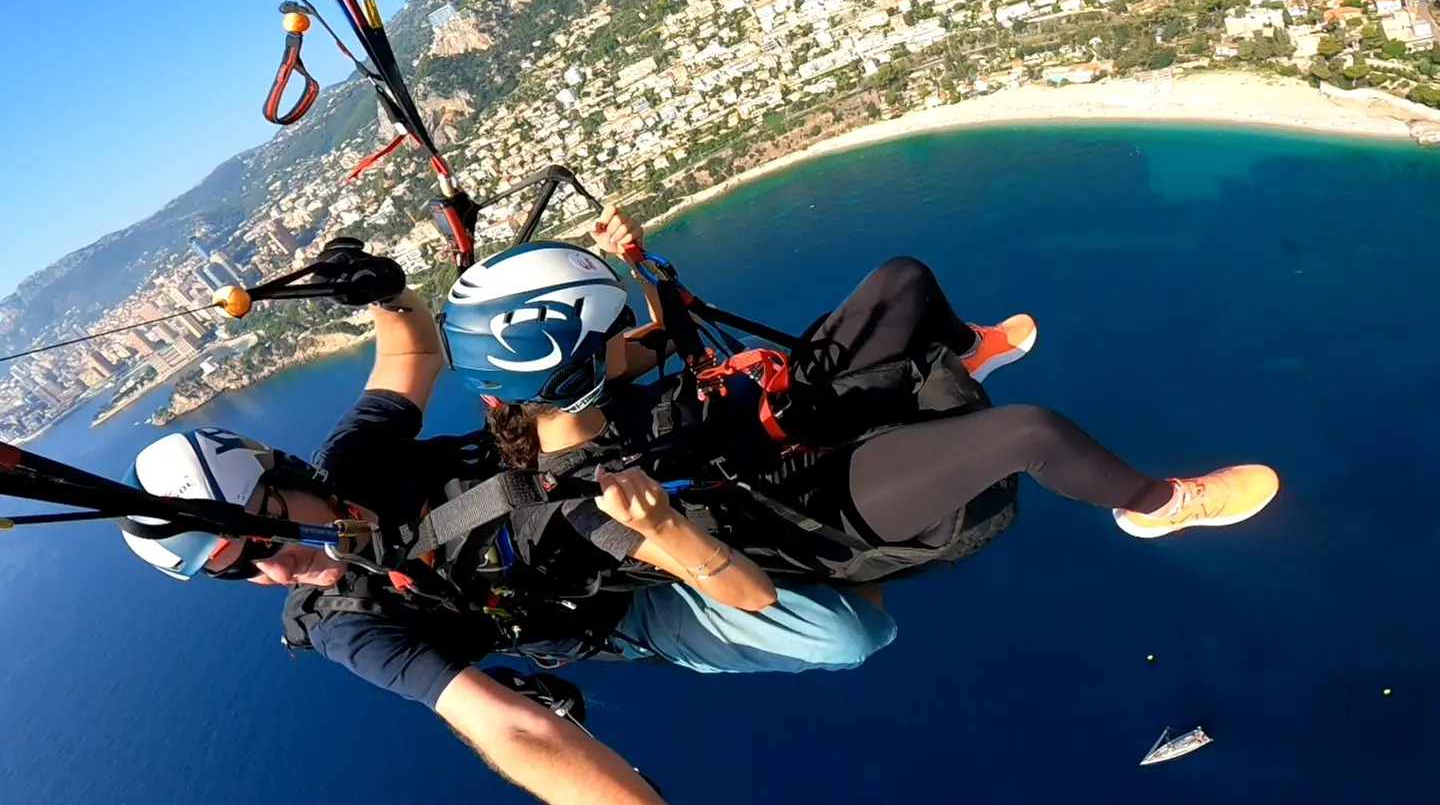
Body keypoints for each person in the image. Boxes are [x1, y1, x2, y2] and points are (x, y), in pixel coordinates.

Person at [119, 213, 895, 805]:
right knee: (845, 633)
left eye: (263, 530)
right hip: (606, 605)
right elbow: (511, 727)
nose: (274, 563)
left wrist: (385, 292)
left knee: (702, 380)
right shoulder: (350, 624)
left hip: (589, 468)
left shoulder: (359, 458)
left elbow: (410, 355)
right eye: (237, 570)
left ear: (281, 470)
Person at [442, 242, 1281, 598]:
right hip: (814, 500)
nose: (630, 339)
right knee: (1031, 433)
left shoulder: (570, 390)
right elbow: (744, 592)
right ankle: (1158, 506)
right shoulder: (593, 508)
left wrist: (634, 258)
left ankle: (965, 349)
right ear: (576, 366)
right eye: (611, 332)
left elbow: (664, 332)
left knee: (902, 278)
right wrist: (668, 529)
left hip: (771, 418)